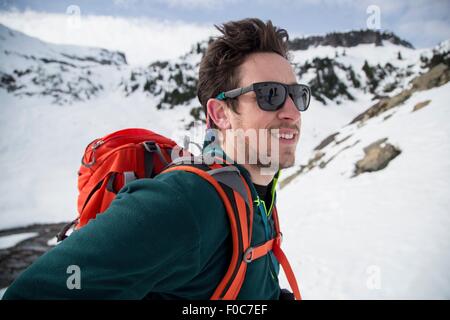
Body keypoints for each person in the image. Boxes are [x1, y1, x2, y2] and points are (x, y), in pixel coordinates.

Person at [3, 17, 310, 300]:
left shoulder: (256, 194)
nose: (292, 111)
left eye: (297, 95)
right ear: (220, 113)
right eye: (270, 94)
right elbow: (33, 293)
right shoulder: (187, 201)